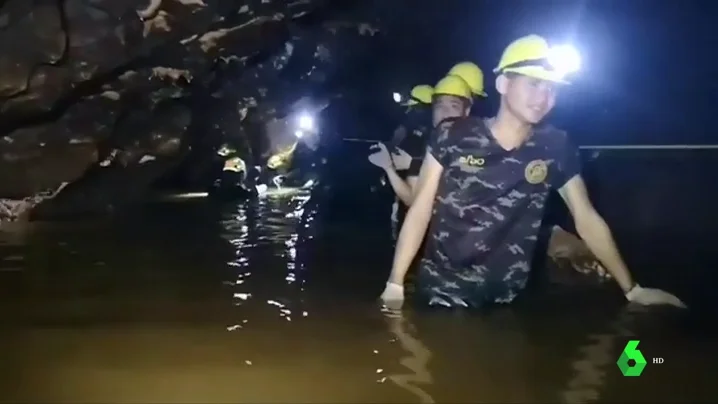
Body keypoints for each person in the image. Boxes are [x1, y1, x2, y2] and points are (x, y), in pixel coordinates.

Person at [380, 35, 686, 309]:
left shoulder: (555, 146)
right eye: (534, 83)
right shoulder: (453, 135)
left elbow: (586, 217)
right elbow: (420, 209)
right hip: (441, 295)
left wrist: (632, 289)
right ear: (503, 84)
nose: (544, 96)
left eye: (551, 88)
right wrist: (395, 283)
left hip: (508, 300)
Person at [369, 75, 478, 240]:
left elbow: (414, 200)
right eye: (439, 106)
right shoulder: (431, 144)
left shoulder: (478, 150)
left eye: (454, 105)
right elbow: (415, 198)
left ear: (467, 110)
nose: (445, 113)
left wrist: (392, 166)